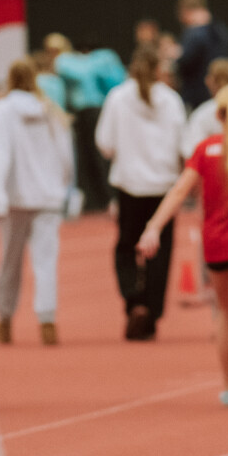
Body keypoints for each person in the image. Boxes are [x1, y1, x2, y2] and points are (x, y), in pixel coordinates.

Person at [137, 85, 228, 410]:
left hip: (215, 243)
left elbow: (178, 191)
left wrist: (153, 227)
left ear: (217, 115)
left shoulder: (204, 150)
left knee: (225, 313)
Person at [96, 46, 186, 341]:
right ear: (159, 68)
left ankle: (133, 298)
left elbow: (105, 143)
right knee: (160, 250)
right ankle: (152, 311)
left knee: (126, 247)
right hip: (164, 187)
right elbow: (182, 145)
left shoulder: (118, 97)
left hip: (129, 184)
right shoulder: (171, 100)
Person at [0, 59, 73, 347]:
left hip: (16, 198)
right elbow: (65, 154)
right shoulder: (49, 109)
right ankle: (47, 320)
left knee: (9, 262)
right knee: (46, 262)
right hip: (48, 196)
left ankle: (4, 319)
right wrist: (63, 185)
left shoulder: (3, 109)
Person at [46, 33, 125, 213]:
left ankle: (110, 198)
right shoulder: (74, 63)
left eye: (54, 49)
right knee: (86, 158)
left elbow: (111, 81)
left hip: (93, 111)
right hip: (82, 114)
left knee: (98, 156)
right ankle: (99, 199)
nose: (51, 53)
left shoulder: (70, 62)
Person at [174, 0, 228, 111]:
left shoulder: (194, 33)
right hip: (221, 90)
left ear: (186, 11)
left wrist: (178, 55)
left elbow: (185, 62)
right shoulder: (220, 29)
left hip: (198, 95)